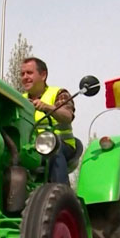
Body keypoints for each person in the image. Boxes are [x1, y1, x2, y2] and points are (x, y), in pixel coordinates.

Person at [20, 57, 77, 185]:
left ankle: (61, 193)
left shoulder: (59, 93)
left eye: (29, 73)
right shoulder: (19, 99)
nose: (25, 77)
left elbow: (67, 115)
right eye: (22, 74)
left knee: (51, 148)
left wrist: (47, 107)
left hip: (61, 145)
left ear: (43, 75)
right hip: (30, 149)